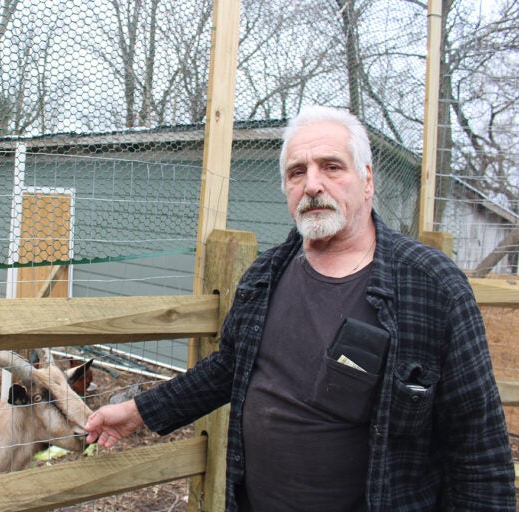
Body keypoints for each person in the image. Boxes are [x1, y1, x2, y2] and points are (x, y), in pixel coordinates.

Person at [84, 105, 516, 511]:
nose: (312, 184)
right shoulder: (264, 275)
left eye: (331, 167)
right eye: (297, 172)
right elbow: (228, 368)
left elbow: (478, 449)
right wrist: (138, 412)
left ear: (366, 180)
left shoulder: (430, 285)